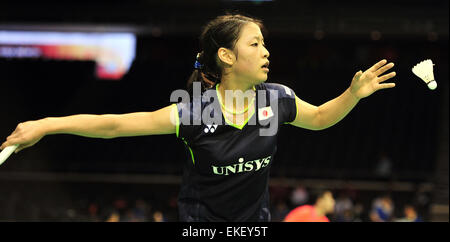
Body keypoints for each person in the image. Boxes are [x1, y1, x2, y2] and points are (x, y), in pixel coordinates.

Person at [1, 14, 396, 222]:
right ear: (226, 56)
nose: (265, 52)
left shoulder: (277, 100)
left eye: (265, 44)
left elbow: (323, 118)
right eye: (255, 43)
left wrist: (353, 94)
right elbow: (115, 124)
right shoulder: (192, 113)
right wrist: (46, 124)